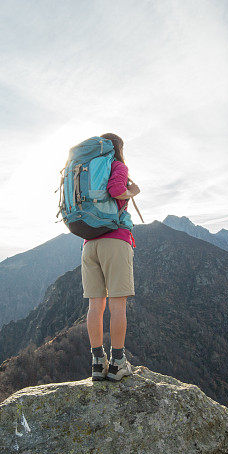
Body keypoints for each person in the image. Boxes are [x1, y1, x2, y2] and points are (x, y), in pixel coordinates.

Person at [82, 132, 140, 382]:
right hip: (115, 241)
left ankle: (97, 362)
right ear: (116, 148)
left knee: (95, 306)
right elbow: (116, 190)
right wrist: (132, 192)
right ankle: (117, 363)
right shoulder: (117, 165)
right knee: (117, 306)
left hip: (89, 243)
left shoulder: (84, 169)